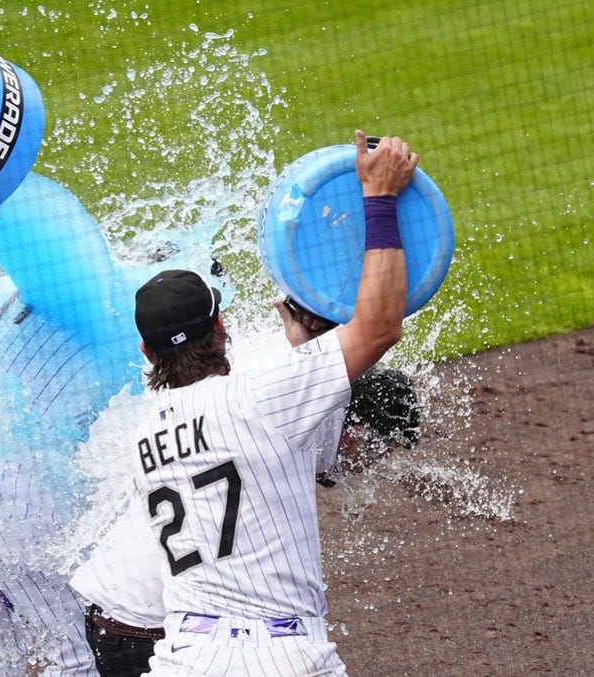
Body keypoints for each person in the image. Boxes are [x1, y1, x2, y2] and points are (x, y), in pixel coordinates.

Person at [116, 131, 418, 676]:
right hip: (280, 657)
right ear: (222, 326)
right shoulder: (262, 398)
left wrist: (305, 352)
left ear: (146, 350)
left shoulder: (140, 436)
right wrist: (378, 197)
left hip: (182, 659)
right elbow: (379, 326)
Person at [70, 303, 422, 676]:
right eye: (377, 452)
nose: (372, 466)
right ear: (357, 434)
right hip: (149, 627)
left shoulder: (220, 411)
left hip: (121, 615)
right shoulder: (280, 418)